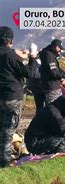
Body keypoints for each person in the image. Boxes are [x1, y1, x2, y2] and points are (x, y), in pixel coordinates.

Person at [0, 26, 33, 167]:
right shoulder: (11, 55)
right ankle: (4, 160)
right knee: (8, 129)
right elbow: (29, 73)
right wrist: (33, 59)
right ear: (10, 40)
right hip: (11, 96)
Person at [39, 39, 65, 104]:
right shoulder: (49, 56)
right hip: (51, 87)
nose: (60, 51)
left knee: (52, 107)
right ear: (56, 47)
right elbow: (54, 73)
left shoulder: (49, 55)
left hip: (50, 85)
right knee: (54, 107)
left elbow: (57, 69)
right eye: (59, 49)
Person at [26, 43, 44, 113]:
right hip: (40, 85)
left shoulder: (30, 61)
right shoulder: (38, 61)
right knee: (42, 107)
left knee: (39, 106)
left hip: (36, 86)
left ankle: (39, 120)